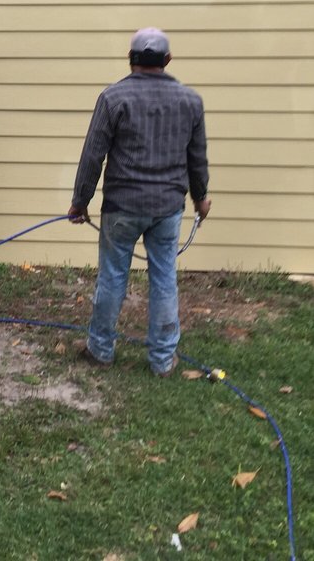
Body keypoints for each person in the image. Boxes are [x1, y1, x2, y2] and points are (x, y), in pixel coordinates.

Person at [68, 27, 211, 377]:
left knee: (113, 277)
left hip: (122, 205)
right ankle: (163, 360)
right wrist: (201, 196)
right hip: (167, 207)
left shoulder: (113, 98)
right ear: (167, 60)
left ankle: (100, 350)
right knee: (164, 278)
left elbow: (93, 155)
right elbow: (198, 157)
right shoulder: (190, 101)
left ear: (130, 59)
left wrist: (80, 201)